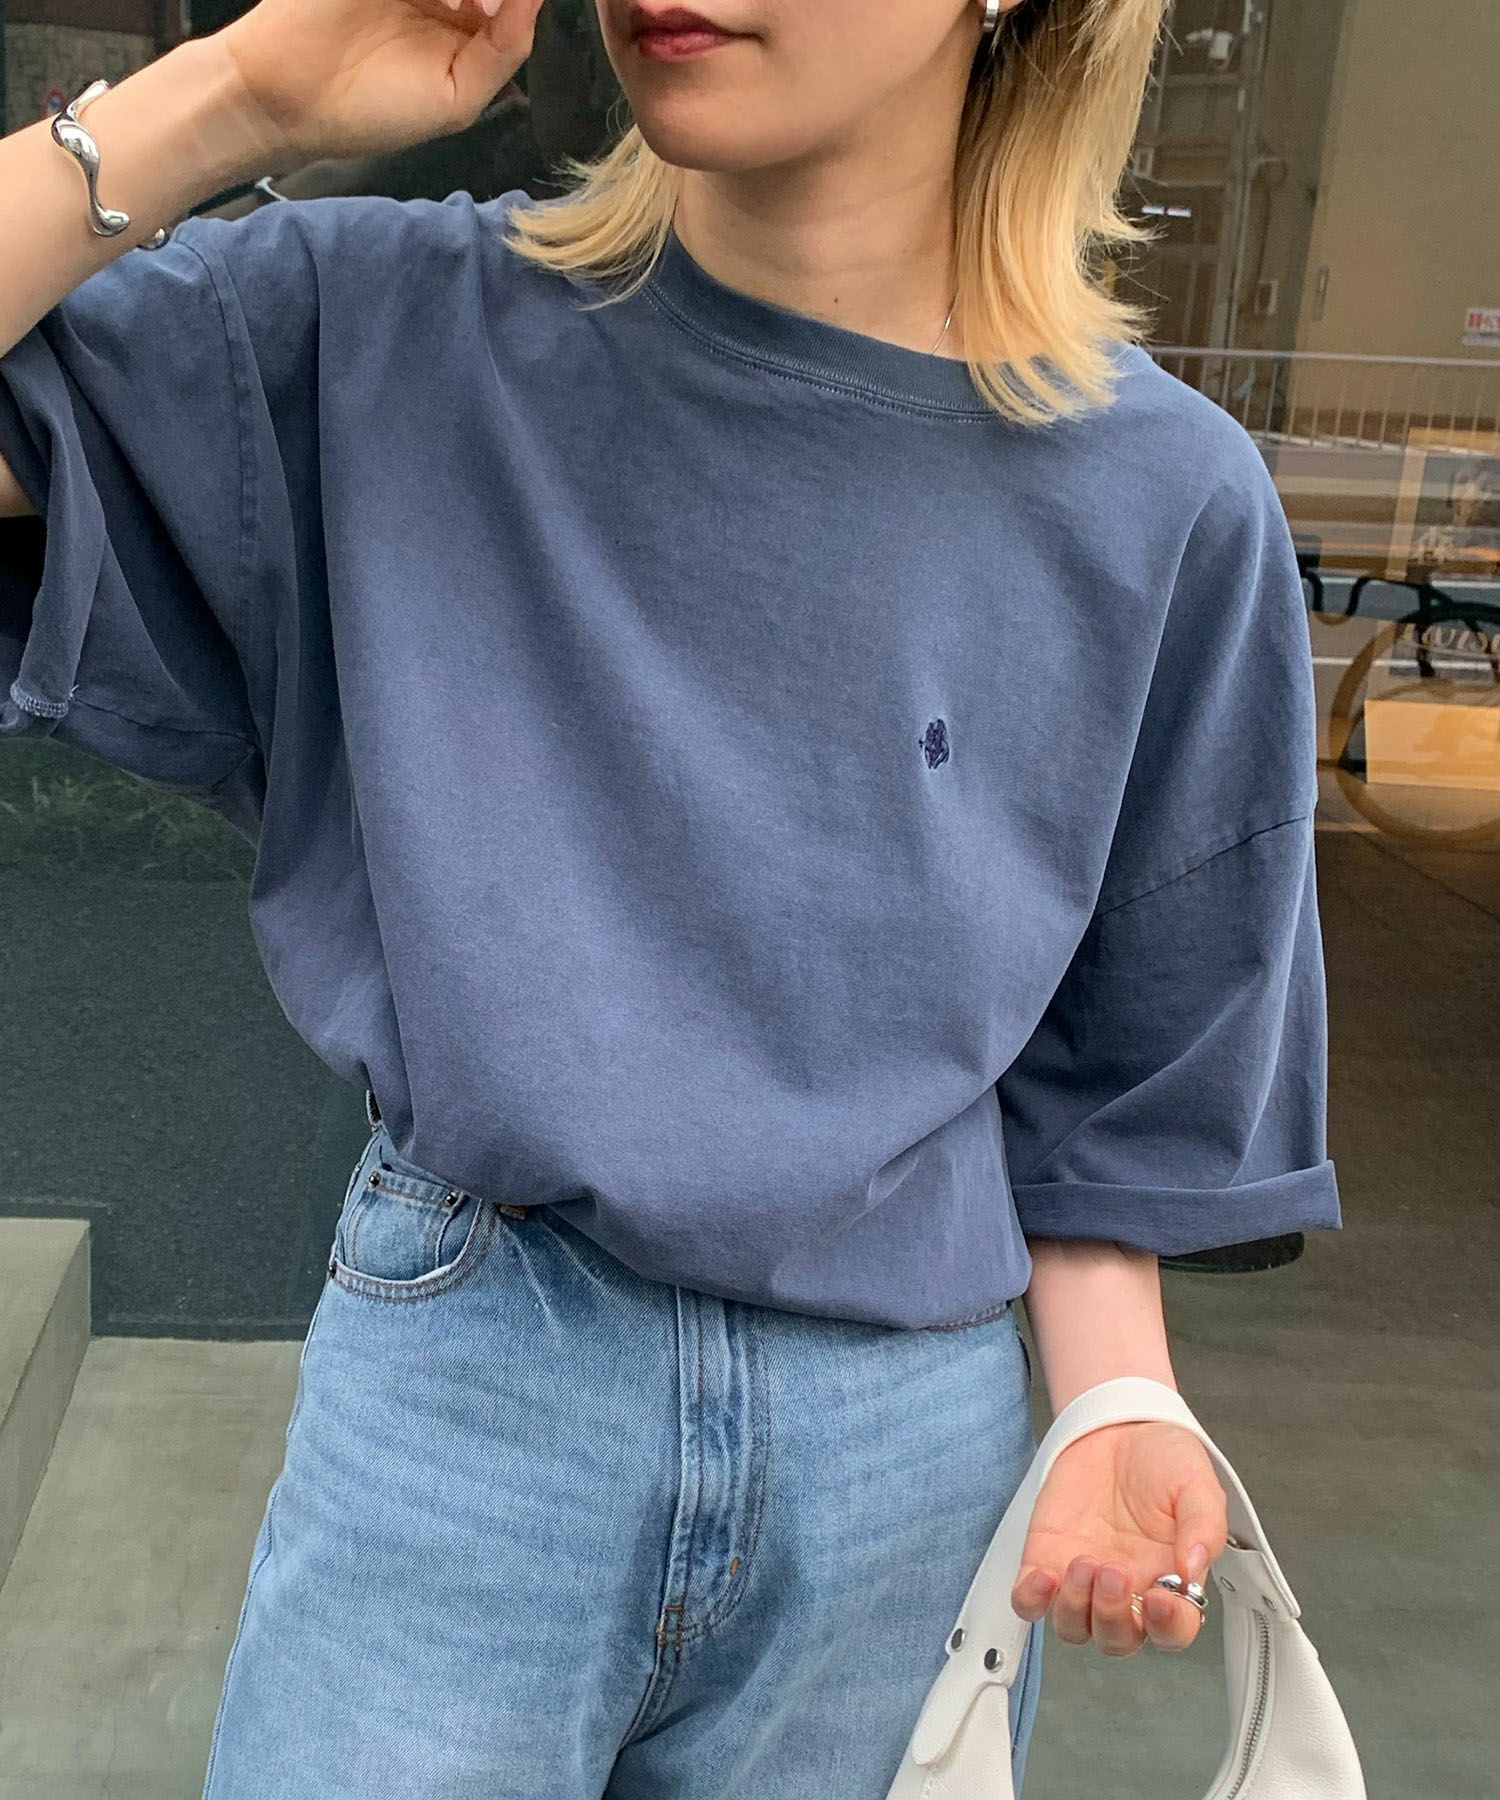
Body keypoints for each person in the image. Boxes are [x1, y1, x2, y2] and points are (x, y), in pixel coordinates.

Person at [0, 0, 1343, 1793]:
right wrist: (242, 91)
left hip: (905, 1463)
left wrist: (1116, 1393)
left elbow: (1121, 1081)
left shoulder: (1165, 499)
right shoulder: (381, 332)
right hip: (478, 1375)